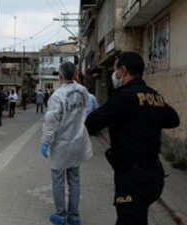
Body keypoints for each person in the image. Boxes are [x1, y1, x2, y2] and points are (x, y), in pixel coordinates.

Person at [85, 51, 180, 225]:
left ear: (123, 70)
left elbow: (91, 123)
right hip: (154, 176)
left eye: (115, 70)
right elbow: (173, 119)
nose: (114, 75)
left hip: (132, 178)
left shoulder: (122, 98)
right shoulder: (154, 96)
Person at [41, 62, 93, 225]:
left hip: (61, 144)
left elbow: (52, 121)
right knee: (74, 180)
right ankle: (74, 216)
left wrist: (46, 141)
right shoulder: (83, 91)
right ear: (76, 74)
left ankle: (61, 215)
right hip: (77, 141)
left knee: (58, 180)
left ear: (60, 76)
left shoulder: (57, 96)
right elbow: (85, 109)